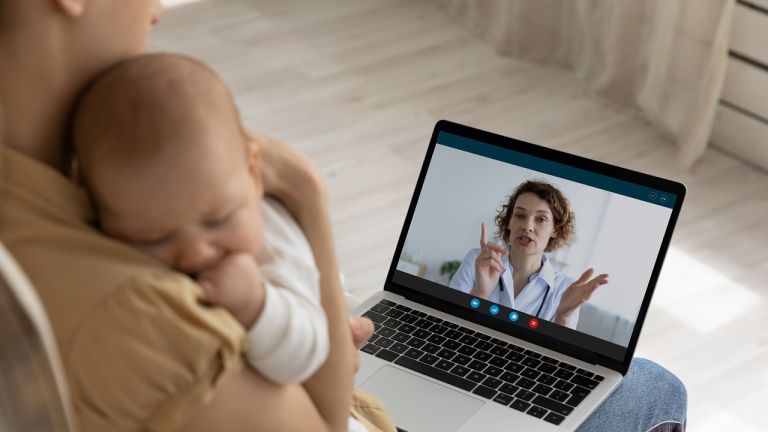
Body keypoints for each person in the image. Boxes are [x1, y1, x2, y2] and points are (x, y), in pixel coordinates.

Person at [0, 1, 686, 431]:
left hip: (332, 364)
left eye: (542, 222)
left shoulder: (48, 188)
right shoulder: (128, 311)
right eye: (521, 217)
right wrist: (306, 191)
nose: (153, 11)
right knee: (656, 387)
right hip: (344, 402)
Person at [70, 52, 330, 385]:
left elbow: (308, 359)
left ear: (253, 174)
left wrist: (255, 304)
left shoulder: (277, 247)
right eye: (154, 238)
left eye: (219, 220)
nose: (196, 254)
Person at [450, 180, 608, 328]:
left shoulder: (564, 288)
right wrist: (480, 293)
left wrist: (563, 318)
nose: (527, 226)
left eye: (541, 219)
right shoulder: (477, 261)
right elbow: (449, 327)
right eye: (520, 215)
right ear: (509, 221)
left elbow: (555, 356)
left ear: (555, 230)